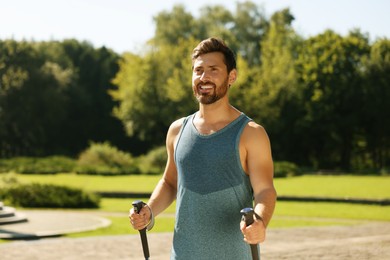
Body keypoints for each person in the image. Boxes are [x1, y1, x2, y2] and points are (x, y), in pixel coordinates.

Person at [129, 37, 277, 259]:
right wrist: (148, 212)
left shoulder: (251, 133)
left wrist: (260, 220)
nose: (204, 77)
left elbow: (265, 190)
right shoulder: (177, 130)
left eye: (213, 70)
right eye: (198, 70)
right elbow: (170, 182)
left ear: (232, 76)